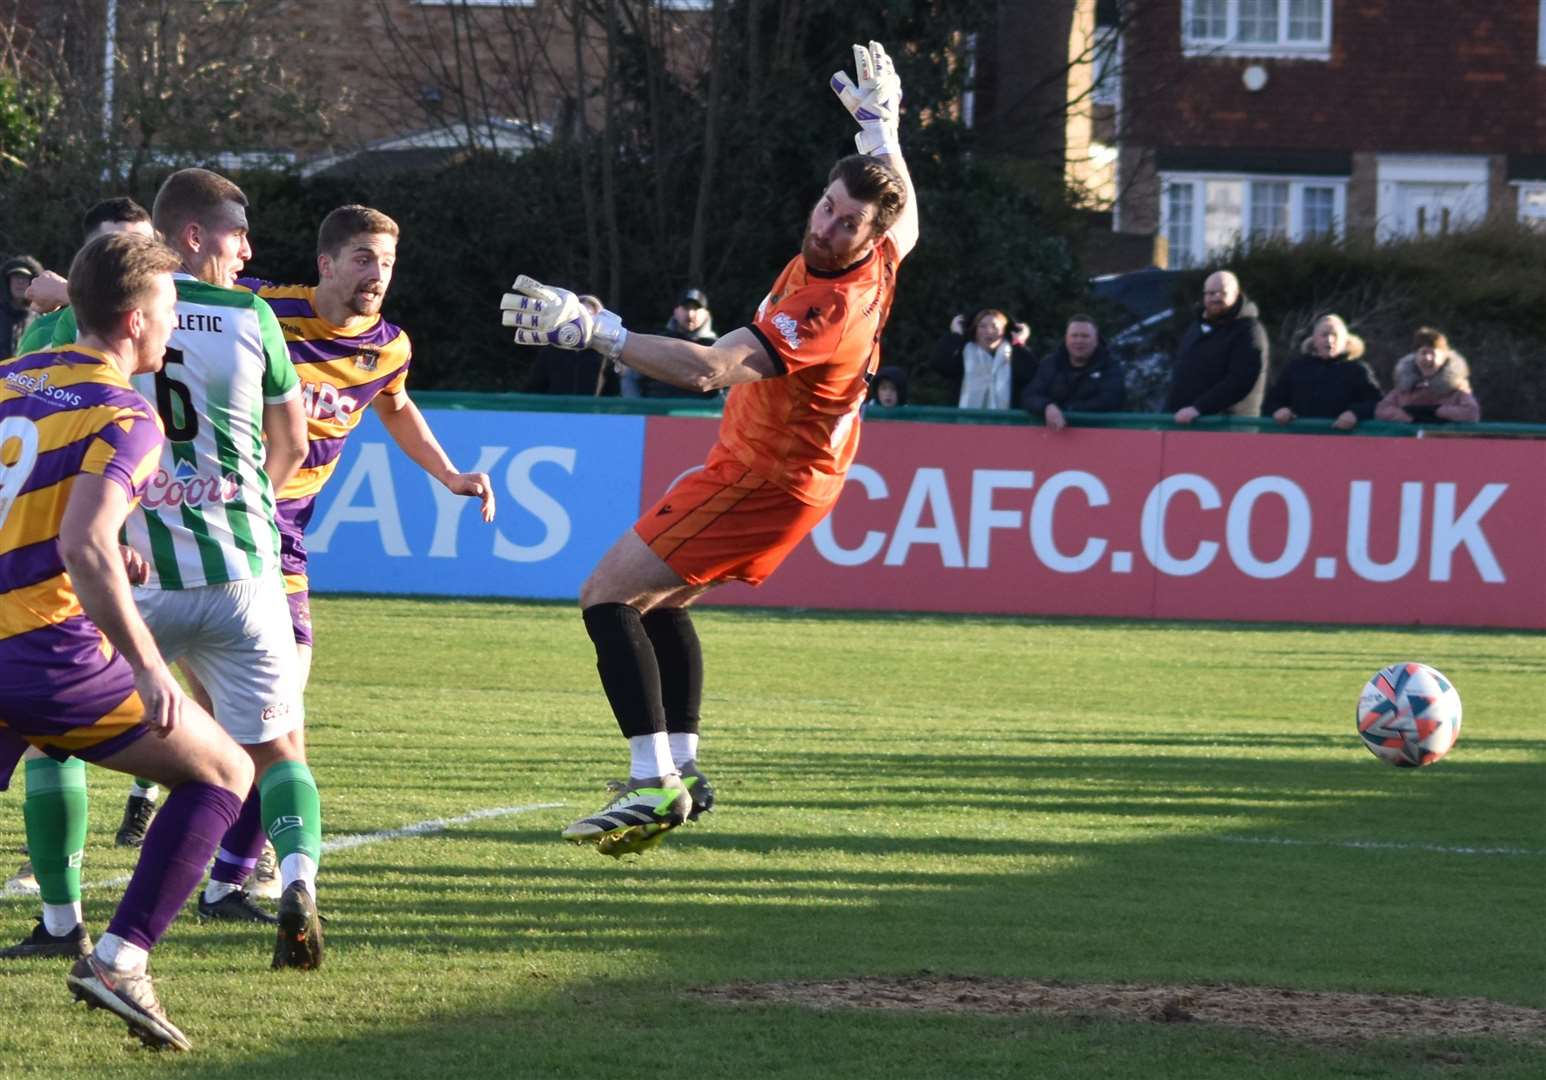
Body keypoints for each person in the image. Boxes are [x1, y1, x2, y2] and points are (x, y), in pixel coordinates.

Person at [499, 40, 917, 857]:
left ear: (872, 230)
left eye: (847, 220)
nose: (827, 224)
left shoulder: (832, 303)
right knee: (660, 603)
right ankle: (683, 772)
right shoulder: (882, 255)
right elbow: (912, 215)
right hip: (784, 473)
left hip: (767, 475)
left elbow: (711, 369)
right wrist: (884, 131)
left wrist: (600, 333)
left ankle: (653, 780)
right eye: (827, 207)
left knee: (606, 595)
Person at [28, 168, 325, 967]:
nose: (248, 249)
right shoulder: (250, 314)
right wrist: (236, 499)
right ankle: (292, 877)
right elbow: (293, 445)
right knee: (274, 749)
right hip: (240, 570)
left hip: (125, 580)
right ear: (192, 235)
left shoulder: (61, 328)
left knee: (53, 743)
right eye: (237, 233)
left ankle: (61, 919)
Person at [0, 231, 255, 1051]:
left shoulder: (8, 380)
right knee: (224, 771)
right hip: (41, 651)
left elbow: (53, 524)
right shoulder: (126, 413)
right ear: (139, 319)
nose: (175, 326)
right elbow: (81, 545)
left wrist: (106, 548)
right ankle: (119, 959)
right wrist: (150, 667)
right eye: (172, 310)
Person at [241, 204, 495, 689]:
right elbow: (168, 295)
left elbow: (396, 409)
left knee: (288, 683)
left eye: (387, 262)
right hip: (226, 508)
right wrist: (74, 293)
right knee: (209, 673)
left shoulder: (388, 348)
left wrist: (450, 475)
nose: (378, 275)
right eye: (363, 259)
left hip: (287, 524)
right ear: (326, 265)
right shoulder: (261, 307)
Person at [9, 200, 169, 862]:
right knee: (216, 768)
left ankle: (63, 914)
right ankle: (107, 948)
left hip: (80, 554)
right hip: (40, 607)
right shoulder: (65, 359)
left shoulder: (21, 367)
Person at [17, 200, 156, 360]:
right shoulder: (44, 335)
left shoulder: (176, 315)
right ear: (88, 255)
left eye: (146, 248)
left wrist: (67, 292)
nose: (133, 260)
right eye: (116, 251)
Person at [1165, 269, 1268, 423]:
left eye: (1222, 292)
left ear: (1236, 293)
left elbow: (1240, 380)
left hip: (1228, 427)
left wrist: (1199, 408)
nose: (1215, 297)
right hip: (1188, 423)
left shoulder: (1249, 330)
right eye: (1210, 293)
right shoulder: (1197, 326)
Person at [1264, 314, 1382, 431]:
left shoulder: (1358, 370)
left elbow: (1376, 402)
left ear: (1346, 341)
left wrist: (1355, 413)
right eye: (1324, 335)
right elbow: (1272, 401)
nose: (1330, 340)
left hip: (1343, 440)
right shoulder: (1296, 368)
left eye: (1335, 335)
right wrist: (1278, 410)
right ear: (1314, 340)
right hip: (1301, 438)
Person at [1021, 314, 1125, 430]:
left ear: (1096, 341)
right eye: (1074, 336)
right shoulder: (1051, 363)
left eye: (1085, 336)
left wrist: (1067, 410)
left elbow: (1110, 400)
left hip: (1098, 436)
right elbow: (1030, 395)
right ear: (1066, 339)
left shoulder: (1110, 365)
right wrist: (1047, 406)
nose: (1079, 340)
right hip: (1052, 437)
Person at [625, 288, 720, 399]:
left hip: (702, 415)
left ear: (706, 314)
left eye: (696, 308)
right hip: (656, 412)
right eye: (686, 308)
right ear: (676, 311)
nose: (690, 314)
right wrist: (638, 407)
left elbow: (732, 384)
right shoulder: (657, 342)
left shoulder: (719, 349)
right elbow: (630, 377)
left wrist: (716, 409)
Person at [931, 308, 1034, 409]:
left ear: (1004, 331)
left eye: (995, 326)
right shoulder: (963, 356)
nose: (989, 331)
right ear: (975, 330)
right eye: (982, 326)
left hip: (1005, 423)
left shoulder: (1014, 356)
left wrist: (1019, 343)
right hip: (965, 422)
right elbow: (938, 363)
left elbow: (1030, 374)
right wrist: (956, 335)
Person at [1374, 327, 1481, 424]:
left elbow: (1471, 413)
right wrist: (1410, 417)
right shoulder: (1405, 385)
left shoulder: (1456, 385)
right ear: (1415, 356)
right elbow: (1382, 410)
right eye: (1424, 353)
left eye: (1433, 353)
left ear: (1443, 356)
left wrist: (1436, 411)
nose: (1428, 358)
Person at [1, 254, 43, 356]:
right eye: (16, 277)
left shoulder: (39, 320)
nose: (20, 282)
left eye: (24, 277)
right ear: (7, 282)